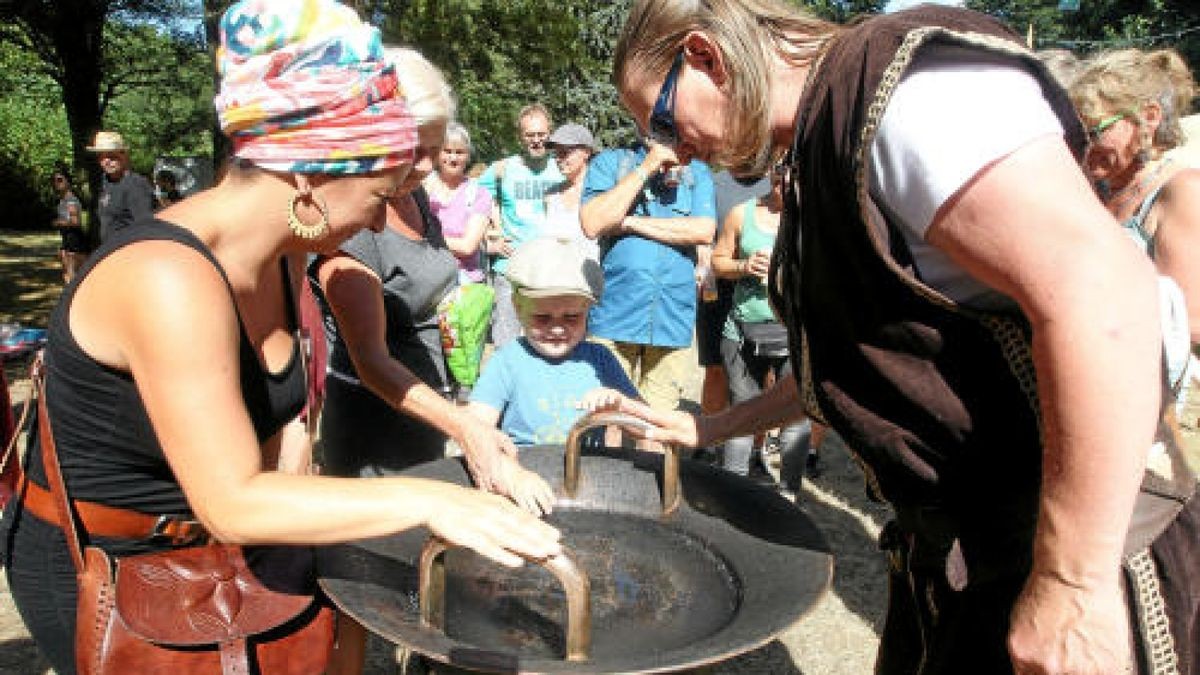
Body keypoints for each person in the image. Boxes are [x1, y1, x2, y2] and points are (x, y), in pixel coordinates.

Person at [606, 2, 1198, 673]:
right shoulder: (819, 143)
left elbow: (1106, 291)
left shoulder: (901, 94)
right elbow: (850, 368)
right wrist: (710, 429)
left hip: (1066, 555)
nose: (673, 148)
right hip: (963, 561)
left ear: (705, 56)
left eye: (659, 117)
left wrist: (1073, 584)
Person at [1, 4, 560, 673]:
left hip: (204, 557)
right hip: (107, 569)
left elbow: (283, 428)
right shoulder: (166, 278)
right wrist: (435, 497)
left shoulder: (287, 250)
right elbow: (234, 499)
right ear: (309, 176)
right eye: (379, 191)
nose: (381, 215)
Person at [310, 46, 553, 496]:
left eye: (434, 149)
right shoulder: (354, 222)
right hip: (376, 420)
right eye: (414, 149)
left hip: (425, 404)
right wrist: (465, 427)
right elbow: (372, 363)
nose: (427, 166)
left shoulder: (414, 194)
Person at [1069, 47, 1200, 473]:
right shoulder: (1108, 192)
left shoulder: (1181, 192)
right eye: (1077, 133)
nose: (1085, 147)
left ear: (1147, 119)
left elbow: (1187, 323)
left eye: (1095, 131)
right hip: (1098, 387)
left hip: (1148, 408)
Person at [580, 137, 716, 414]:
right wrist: (647, 167)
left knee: (657, 422)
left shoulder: (697, 170)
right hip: (615, 313)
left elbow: (702, 230)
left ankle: (649, 460)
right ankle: (609, 459)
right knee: (609, 415)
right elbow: (593, 222)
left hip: (672, 314)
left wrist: (628, 222)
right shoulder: (610, 162)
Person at [467, 237, 640, 447]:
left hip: (587, 468)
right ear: (518, 308)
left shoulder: (600, 359)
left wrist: (620, 405)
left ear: (588, 311)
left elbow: (645, 426)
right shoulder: (507, 361)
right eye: (542, 317)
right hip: (525, 469)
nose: (557, 328)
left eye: (572, 317)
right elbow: (476, 425)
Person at [711, 164, 820, 487]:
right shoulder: (741, 214)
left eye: (797, 172)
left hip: (796, 332)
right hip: (743, 332)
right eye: (780, 170)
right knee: (742, 415)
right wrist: (744, 265)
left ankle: (789, 495)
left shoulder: (817, 219)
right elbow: (718, 261)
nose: (785, 179)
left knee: (795, 419)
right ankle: (733, 493)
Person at [477, 103, 564, 346]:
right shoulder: (502, 169)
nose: (536, 141)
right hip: (510, 267)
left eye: (541, 135)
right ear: (520, 137)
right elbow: (471, 200)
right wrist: (489, 234)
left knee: (549, 339)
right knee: (506, 340)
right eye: (530, 135)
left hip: (550, 268)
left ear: (549, 134)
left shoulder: (561, 168)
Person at [425, 121, 492, 283]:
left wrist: (426, 240)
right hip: (427, 280)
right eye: (447, 151)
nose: (453, 158)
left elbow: (467, 247)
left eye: (459, 152)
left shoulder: (479, 194)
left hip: (466, 284)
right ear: (437, 153)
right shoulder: (422, 187)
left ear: (468, 155)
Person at [542, 122, 600, 260]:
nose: (558, 159)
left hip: (592, 277)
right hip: (556, 276)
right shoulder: (550, 195)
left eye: (565, 152)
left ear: (586, 152)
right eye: (556, 153)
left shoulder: (600, 193)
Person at [87, 130, 155, 244]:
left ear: (124, 155)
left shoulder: (135, 184)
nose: (107, 161)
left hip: (127, 252)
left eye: (112, 156)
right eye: (102, 157)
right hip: (108, 251)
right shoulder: (104, 182)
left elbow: (145, 227)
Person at [50, 166, 87, 282]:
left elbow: (75, 222)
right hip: (67, 240)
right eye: (54, 180)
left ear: (68, 182)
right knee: (67, 275)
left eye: (60, 180)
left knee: (73, 277)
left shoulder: (71, 200)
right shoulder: (63, 200)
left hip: (75, 241)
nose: (56, 183)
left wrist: (58, 222)